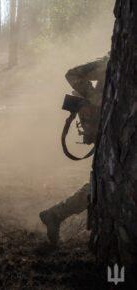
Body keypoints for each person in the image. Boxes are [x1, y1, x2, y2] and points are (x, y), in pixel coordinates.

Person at [39, 55, 109, 245]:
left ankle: (56, 214)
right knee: (105, 182)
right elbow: (73, 75)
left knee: (105, 182)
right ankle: (56, 214)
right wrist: (98, 101)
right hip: (109, 130)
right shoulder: (112, 61)